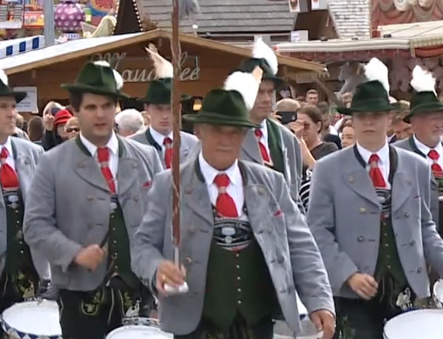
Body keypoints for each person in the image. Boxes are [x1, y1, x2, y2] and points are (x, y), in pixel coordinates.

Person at [131, 67, 335, 339]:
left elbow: (301, 244)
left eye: (235, 132)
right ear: (199, 131)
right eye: (217, 130)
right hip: (195, 323)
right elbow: (142, 246)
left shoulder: (271, 183)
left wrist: (319, 299)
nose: (226, 140)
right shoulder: (169, 184)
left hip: (258, 321)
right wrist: (157, 268)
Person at [307, 58, 443, 339]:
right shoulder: (328, 169)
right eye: (361, 116)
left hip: (406, 282)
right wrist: (348, 274)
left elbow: (424, 225)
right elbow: (318, 231)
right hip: (355, 290)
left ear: (389, 119)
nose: (369, 122)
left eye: (377, 115)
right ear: (352, 120)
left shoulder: (416, 166)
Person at [23, 60, 163, 339]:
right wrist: (74, 252)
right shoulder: (52, 162)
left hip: (137, 293)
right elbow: (35, 226)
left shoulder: (146, 157)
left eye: (107, 106)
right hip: (79, 296)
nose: (100, 114)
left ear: (116, 108)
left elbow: (163, 220)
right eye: (90, 107)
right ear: (76, 110)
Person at [394, 67, 443, 259]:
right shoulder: (397, 155)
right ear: (414, 122)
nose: (440, 124)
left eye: (442, 118)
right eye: (432, 119)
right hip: (418, 253)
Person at [0, 69, 49, 339]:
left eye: (13, 107)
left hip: (31, 269)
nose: (11, 114)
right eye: (3, 107)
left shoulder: (33, 152)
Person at [237, 38, 303, 205]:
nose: (267, 99)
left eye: (270, 92)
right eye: (259, 92)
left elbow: (294, 198)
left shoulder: (288, 139)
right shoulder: (226, 137)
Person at [131, 44, 199, 168]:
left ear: (179, 109)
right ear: (147, 108)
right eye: (159, 109)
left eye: (170, 109)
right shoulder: (132, 146)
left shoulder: (194, 145)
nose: (165, 116)